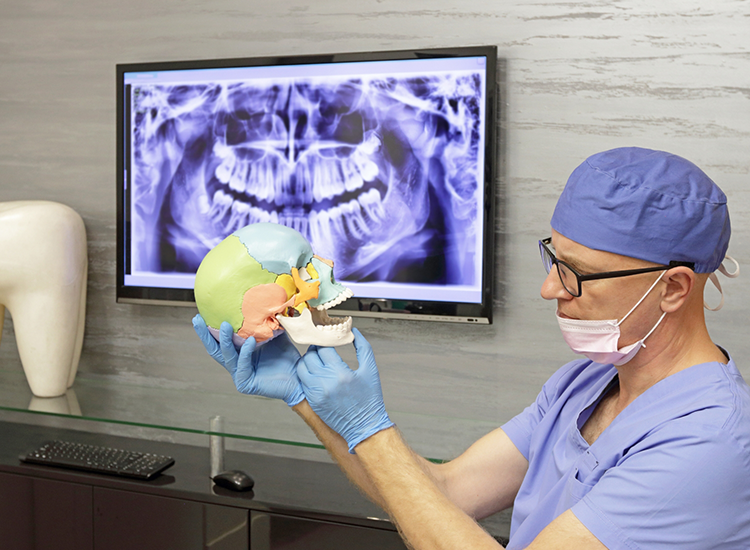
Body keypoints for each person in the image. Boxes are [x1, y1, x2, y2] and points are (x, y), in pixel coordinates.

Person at [193, 147, 750, 549]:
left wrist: (371, 427)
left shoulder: (709, 443)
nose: (550, 288)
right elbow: (444, 494)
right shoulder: (582, 386)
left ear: (674, 287)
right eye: (553, 259)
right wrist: (307, 398)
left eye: (578, 275)